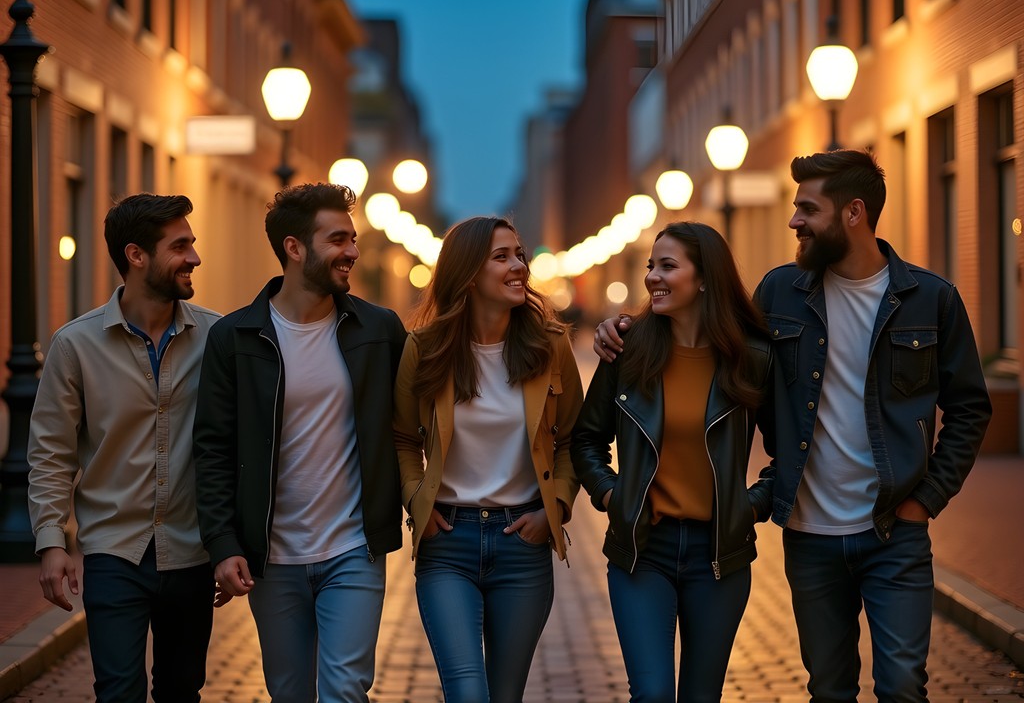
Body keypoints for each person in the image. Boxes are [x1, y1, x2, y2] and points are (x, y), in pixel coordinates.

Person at [596, 150, 992, 702]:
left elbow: (970, 408)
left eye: (808, 209)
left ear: (853, 212)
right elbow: (714, 344)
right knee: (828, 689)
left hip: (893, 530)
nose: (794, 220)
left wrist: (926, 499)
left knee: (903, 685)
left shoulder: (931, 299)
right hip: (810, 533)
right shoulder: (780, 293)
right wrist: (624, 329)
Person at [192, 183, 407, 703]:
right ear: (294, 247)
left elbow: (427, 410)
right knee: (288, 691)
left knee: (345, 689)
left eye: (352, 238)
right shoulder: (234, 338)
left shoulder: (379, 330)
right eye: (338, 239)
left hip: (354, 548)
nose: (352, 251)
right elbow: (213, 449)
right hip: (273, 558)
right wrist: (223, 545)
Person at [27, 194, 218, 702]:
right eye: (180, 247)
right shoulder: (75, 345)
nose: (194, 258)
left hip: (193, 551)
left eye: (192, 244)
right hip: (114, 552)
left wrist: (232, 544)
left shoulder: (216, 337)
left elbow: (235, 446)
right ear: (136, 255)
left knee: (182, 691)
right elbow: (51, 452)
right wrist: (52, 542)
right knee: (117, 692)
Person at [573, 222, 771, 703]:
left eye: (667, 266)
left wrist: (749, 507)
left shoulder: (750, 357)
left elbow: (790, 455)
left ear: (704, 278)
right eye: (650, 267)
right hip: (644, 551)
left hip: (719, 555)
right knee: (654, 692)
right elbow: (586, 440)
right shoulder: (627, 350)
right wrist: (612, 496)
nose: (652, 278)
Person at [392, 216, 584, 703]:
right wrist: (416, 501)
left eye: (519, 254)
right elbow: (402, 438)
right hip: (447, 543)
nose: (518, 265)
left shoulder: (550, 346)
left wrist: (557, 508)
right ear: (468, 274)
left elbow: (572, 440)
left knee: (504, 695)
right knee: (467, 692)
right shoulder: (425, 348)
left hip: (523, 542)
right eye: (501, 257)